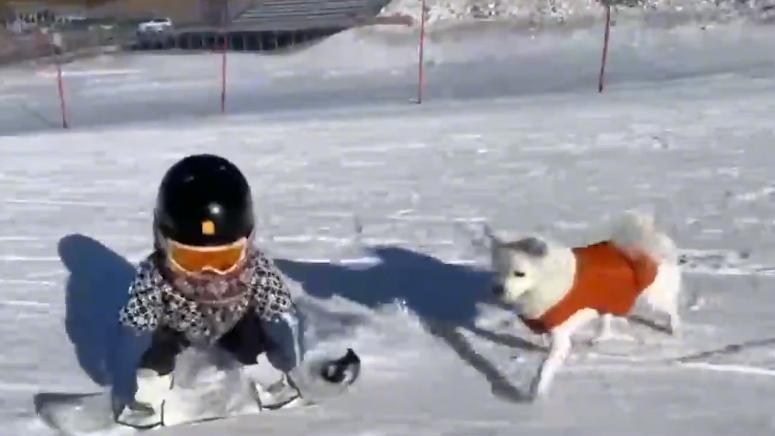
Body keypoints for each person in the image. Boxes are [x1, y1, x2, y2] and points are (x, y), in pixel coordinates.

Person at [115, 154, 359, 428]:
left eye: (224, 260)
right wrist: (127, 363)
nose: (209, 275)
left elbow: (279, 312)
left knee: (255, 350)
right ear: (163, 242)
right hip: (176, 327)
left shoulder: (256, 269)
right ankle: (145, 401)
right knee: (154, 360)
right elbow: (135, 325)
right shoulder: (155, 275)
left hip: (233, 321)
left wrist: (289, 355)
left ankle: (275, 385)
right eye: (192, 260)